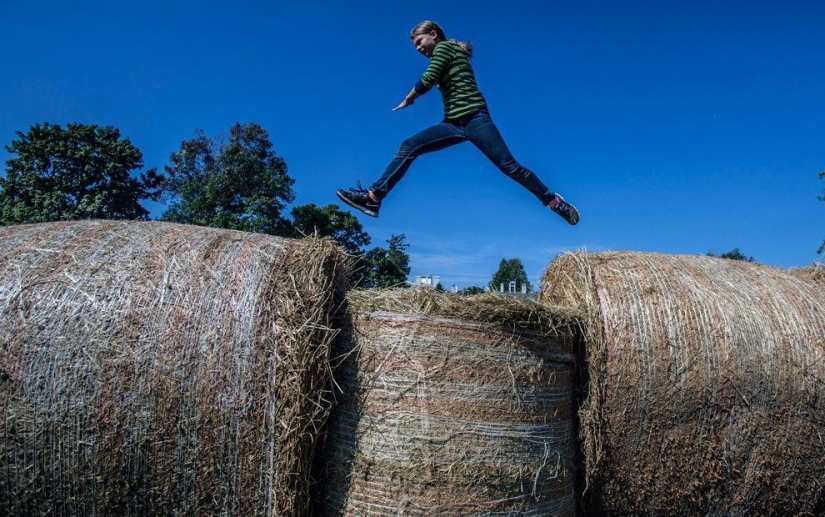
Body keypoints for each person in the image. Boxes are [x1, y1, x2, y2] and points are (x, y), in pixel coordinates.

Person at [336, 20, 579, 225]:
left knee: (510, 167)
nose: (418, 48)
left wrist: (409, 99)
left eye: (419, 42)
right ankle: (373, 198)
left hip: (475, 119)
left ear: (433, 34)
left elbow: (428, 79)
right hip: (452, 123)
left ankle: (553, 201)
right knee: (409, 146)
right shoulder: (445, 54)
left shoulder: (446, 47)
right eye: (415, 46)